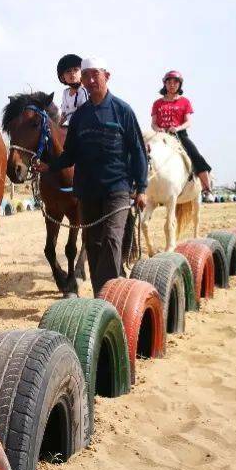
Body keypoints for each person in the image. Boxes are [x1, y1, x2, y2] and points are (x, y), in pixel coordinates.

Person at [34, 57, 149, 295]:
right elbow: (70, 154)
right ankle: (102, 296)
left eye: (95, 74)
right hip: (87, 191)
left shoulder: (123, 110)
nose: (90, 80)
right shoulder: (80, 117)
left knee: (111, 240)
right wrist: (50, 166)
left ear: (106, 76)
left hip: (117, 189)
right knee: (93, 245)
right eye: (86, 76)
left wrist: (142, 188)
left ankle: (109, 296)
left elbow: (137, 150)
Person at [151, 70, 213, 193]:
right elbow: (153, 123)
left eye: (175, 82)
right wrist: (159, 129)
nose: (172, 85)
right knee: (145, 154)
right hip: (161, 135)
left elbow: (188, 122)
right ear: (165, 84)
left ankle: (207, 188)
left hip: (179, 135)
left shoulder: (185, 101)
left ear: (180, 84)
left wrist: (177, 128)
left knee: (195, 155)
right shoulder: (157, 103)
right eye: (169, 82)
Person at [56, 53, 88, 127]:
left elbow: (86, 114)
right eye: (68, 71)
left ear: (82, 73)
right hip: (71, 127)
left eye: (76, 70)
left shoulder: (83, 91)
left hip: (83, 127)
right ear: (62, 77)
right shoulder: (65, 93)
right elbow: (63, 114)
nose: (72, 73)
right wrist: (56, 127)